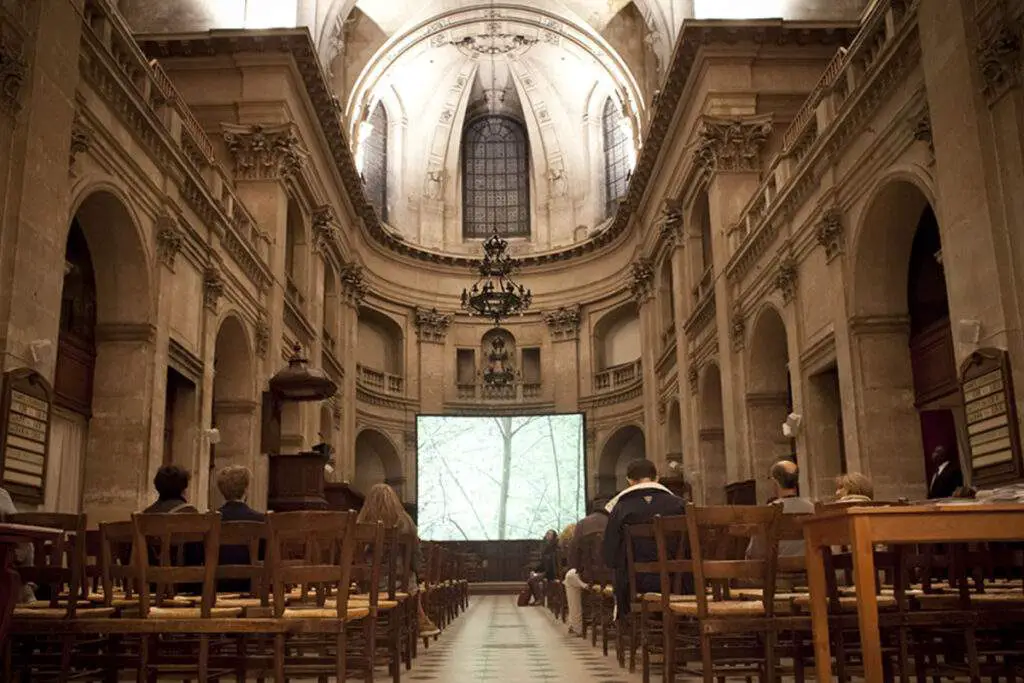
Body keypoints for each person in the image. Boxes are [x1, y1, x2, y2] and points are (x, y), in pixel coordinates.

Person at [602, 459, 685, 621]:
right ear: (657, 478)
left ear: (629, 481)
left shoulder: (620, 508)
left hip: (636, 584)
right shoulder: (680, 505)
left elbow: (610, 555)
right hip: (677, 581)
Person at [356, 483, 440, 637]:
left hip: (367, 588)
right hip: (401, 586)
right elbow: (415, 558)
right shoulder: (406, 523)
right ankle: (420, 620)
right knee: (411, 577)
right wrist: (415, 572)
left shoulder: (359, 524)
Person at [746, 460, 814, 560]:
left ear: (775, 482)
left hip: (777, 569)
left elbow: (755, 552)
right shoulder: (811, 508)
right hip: (809, 568)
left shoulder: (768, 511)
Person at [215, 465, 264, 593]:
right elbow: (265, 555)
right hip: (250, 584)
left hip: (217, 584)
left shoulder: (211, 519)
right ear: (246, 490)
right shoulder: (261, 520)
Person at [564, 498, 609, 636]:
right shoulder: (616, 521)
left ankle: (576, 626)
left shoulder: (583, 524)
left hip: (592, 577)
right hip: (618, 576)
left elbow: (573, 556)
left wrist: (580, 570)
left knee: (569, 577)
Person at [527, 529, 559, 605]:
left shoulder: (555, 547)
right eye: (547, 533)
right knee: (531, 579)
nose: (547, 535)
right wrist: (535, 571)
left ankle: (539, 599)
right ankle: (538, 599)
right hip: (547, 571)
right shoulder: (546, 547)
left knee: (532, 580)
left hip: (552, 572)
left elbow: (552, 564)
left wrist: (540, 574)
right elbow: (543, 563)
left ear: (554, 536)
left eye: (550, 534)